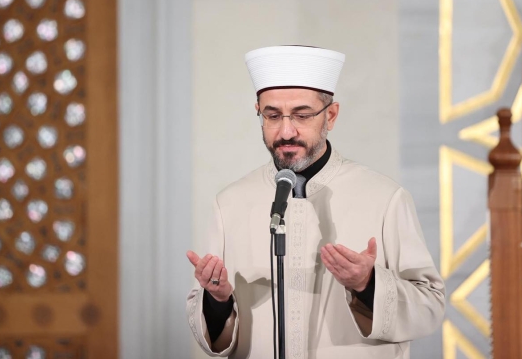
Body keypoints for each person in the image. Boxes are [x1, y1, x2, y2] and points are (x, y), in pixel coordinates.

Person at [186, 46, 445, 358]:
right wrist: (217, 301)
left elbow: (430, 308)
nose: (286, 131)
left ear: (330, 115)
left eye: (302, 115)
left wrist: (368, 284)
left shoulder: (386, 198)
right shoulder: (229, 204)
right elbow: (210, 329)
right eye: (272, 115)